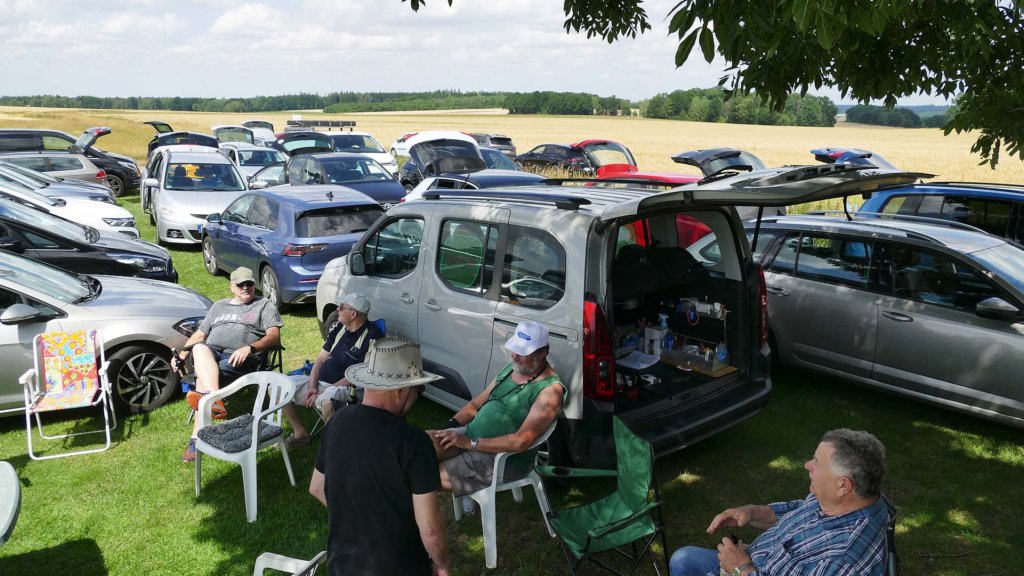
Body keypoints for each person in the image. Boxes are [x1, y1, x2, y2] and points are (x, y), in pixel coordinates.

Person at [309, 338, 451, 576]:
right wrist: (442, 564)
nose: (417, 397)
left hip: (341, 566)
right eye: (418, 390)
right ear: (400, 391)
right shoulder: (414, 442)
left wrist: (359, 521)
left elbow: (316, 487)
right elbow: (430, 529)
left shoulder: (337, 421)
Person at [669, 429, 889, 576]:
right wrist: (752, 513)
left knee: (683, 562)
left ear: (843, 485)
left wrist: (740, 568)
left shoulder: (843, 560)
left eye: (817, 462)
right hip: (758, 559)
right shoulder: (849, 500)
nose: (807, 465)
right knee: (683, 559)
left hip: (746, 568)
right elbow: (799, 509)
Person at [431, 320, 564, 498]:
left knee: (424, 475)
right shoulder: (512, 369)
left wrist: (469, 443)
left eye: (522, 353)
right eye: (514, 350)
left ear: (542, 353)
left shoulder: (550, 391)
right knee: (416, 447)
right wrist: (450, 425)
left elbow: (521, 442)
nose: (514, 357)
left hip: (501, 458)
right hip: (469, 435)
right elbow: (475, 404)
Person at [174, 266, 283, 463]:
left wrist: (249, 348)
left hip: (240, 358)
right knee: (199, 348)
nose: (245, 287)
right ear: (232, 286)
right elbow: (200, 335)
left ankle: (196, 438)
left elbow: (274, 336)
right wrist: (181, 357)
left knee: (201, 382)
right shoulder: (219, 306)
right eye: (240, 284)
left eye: (249, 283)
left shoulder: (263, 305)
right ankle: (215, 398)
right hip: (211, 354)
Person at [282, 292, 383, 447]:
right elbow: (321, 358)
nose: (337, 309)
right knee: (279, 386)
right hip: (320, 385)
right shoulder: (340, 328)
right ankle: (300, 434)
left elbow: (358, 375)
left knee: (328, 399)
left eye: (341, 307)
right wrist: (312, 385)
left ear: (353, 314)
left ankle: (334, 446)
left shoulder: (372, 337)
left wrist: (323, 392)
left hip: (348, 389)